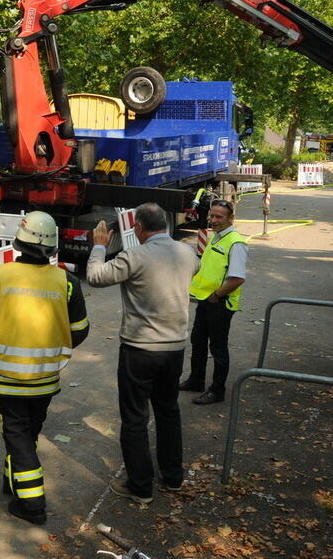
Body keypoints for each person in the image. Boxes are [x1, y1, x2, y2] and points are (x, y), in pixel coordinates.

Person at [0, 211, 89, 525]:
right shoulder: (67, 281)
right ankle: (14, 482)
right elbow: (81, 329)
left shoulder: (1, 276)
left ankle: (32, 504)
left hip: (8, 377)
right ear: (52, 247)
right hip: (46, 378)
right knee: (29, 432)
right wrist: (55, 347)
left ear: (19, 242)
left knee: (17, 434)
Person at [87, 203, 200, 504]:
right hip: (174, 348)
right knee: (168, 411)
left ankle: (140, 486)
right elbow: (197, 268)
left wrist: (99, 247)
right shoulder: (187, 252)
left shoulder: (134, 255)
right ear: (164, 224)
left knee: (135, 417)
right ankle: (173, 477)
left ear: (138, 228)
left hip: (140, 349)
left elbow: (96, 277)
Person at [180, 199, 248, 405]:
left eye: (219, 217)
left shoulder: (235, 243)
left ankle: (217, 390)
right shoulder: (217, 237)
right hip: (206, 300)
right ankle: (196, 380)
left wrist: (217, 295)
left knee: (218, 348)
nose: (214, 220)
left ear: (231, 219)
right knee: (198, 341)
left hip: (220, 302)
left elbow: (237, 278)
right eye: (212, 215)